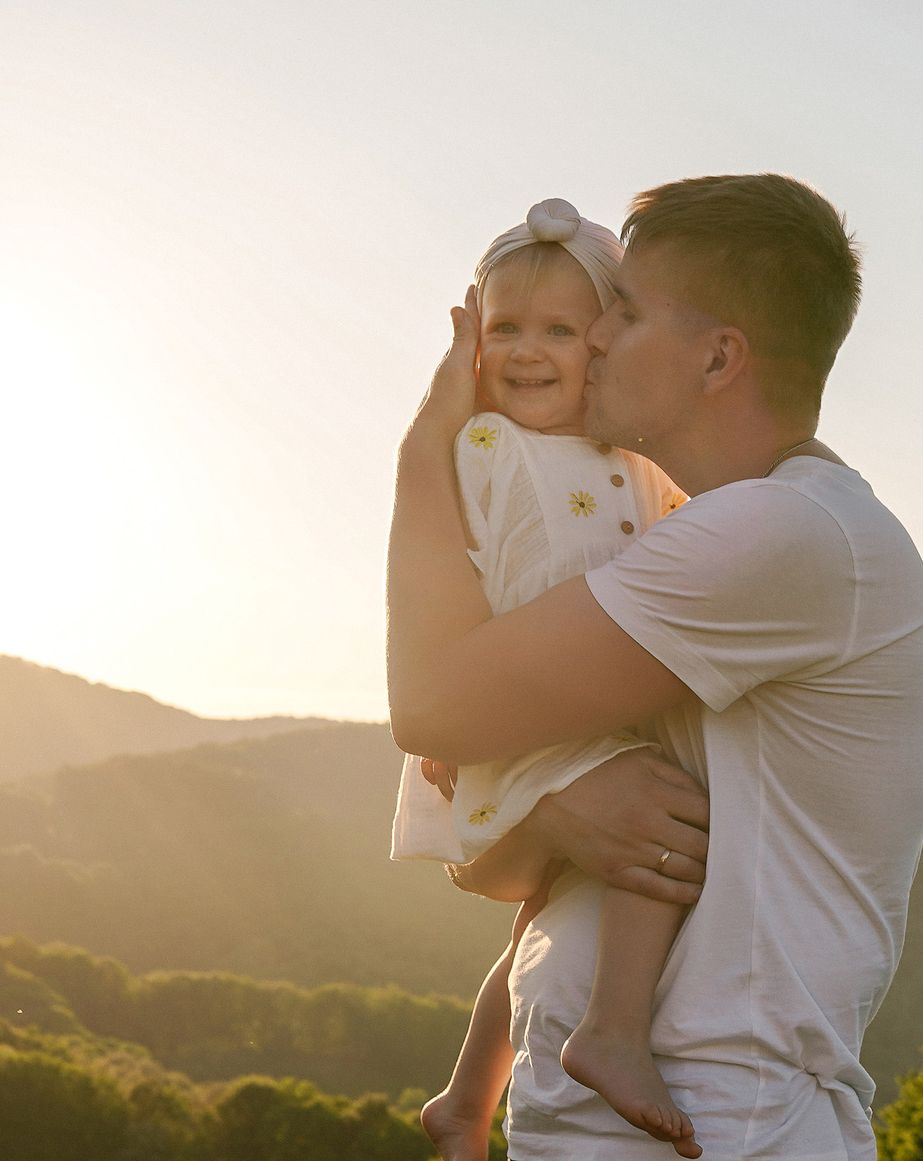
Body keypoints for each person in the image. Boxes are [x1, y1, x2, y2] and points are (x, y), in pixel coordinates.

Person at [389, 173, 923, 1160]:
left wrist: (424, 445)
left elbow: (432, 706)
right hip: (616, 1116)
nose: (595, 335)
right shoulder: (690, 535)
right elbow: (490, 853)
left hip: (725, 1119)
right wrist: (554, 805)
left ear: (719, 357)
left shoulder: (781, 532)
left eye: (628, 311)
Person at [395, 198, 701, 1159]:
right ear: (474, 343)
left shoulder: (629, 457)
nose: (530, 351)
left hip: (572, 714)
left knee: (548, 907)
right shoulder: (488, 447)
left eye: (560, 331)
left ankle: (465, 1096)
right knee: (669, 826)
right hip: (526, 723)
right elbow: (462, 590)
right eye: (507, 329)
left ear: (603, 342)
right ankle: (612, 1029)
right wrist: (455, 720)